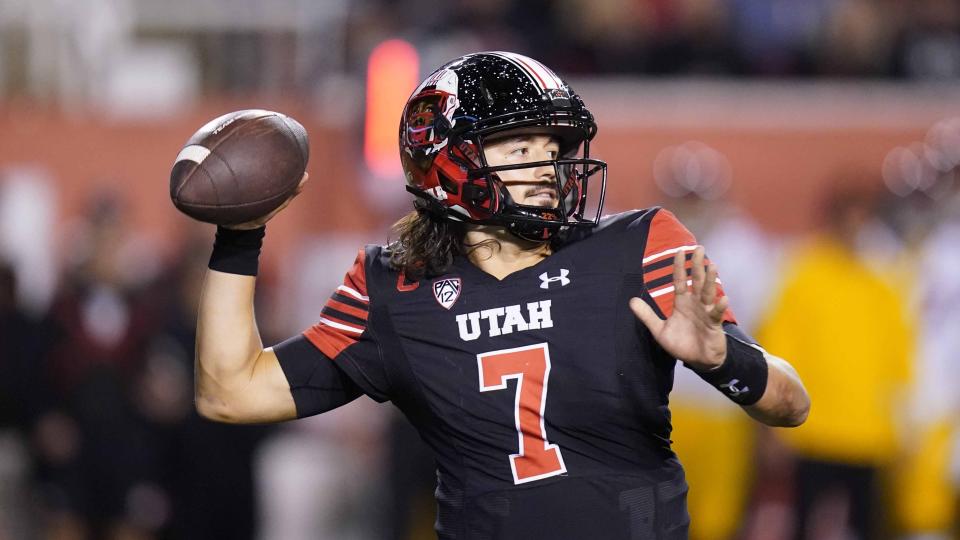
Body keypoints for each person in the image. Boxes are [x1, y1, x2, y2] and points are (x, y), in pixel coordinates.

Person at [192, 51, 809, 539]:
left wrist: (726, 359)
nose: (549, 168)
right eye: (520, 148)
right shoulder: (393, 285)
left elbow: (793, 403)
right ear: (450, 162)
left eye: (554, 149)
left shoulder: (640, 244)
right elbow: (230, 392)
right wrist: (239, 238)